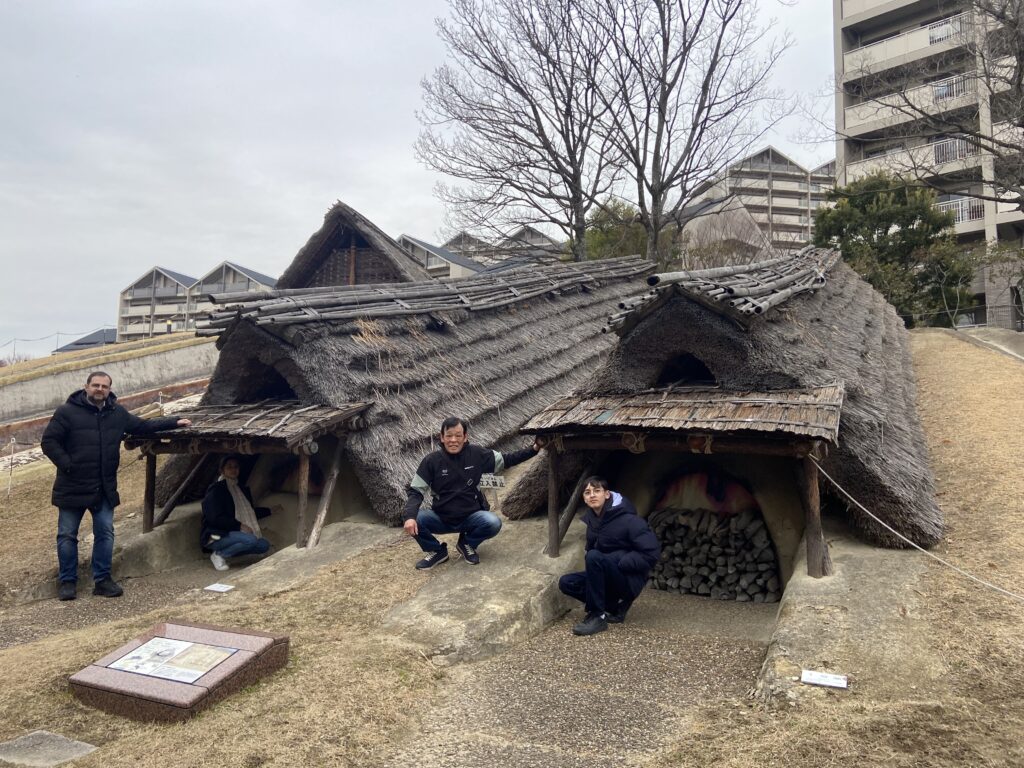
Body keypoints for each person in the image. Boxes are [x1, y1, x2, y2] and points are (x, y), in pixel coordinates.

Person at [41, 371, 191, 601]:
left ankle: (102, 580)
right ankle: (68, 582)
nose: (99, 389)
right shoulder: (66, 412)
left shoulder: (116, 413)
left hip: (103, 487)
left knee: (105, 533)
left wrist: (173, 421)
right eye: (95, 385)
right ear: (86, 387)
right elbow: (49, 441)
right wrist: (68, 465)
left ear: (109, 389)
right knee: (67, 535)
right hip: (72, 485)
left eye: (104, 386)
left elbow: (142, 426)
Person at [402, 416, 541, 569]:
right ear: (442, 437)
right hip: (442, 518)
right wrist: (410, 517)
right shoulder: (431, 461)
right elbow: (416, 491)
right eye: (449, 436)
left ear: (465, 437)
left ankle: (467, 543)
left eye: (458, 435)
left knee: (493, 522)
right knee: (413, 517)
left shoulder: (477, 454)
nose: (453, 440)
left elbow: (507, 459)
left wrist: (534, 449)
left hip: (470, 517)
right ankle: (437, 551)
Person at [558, 476, 660, 636]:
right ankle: (613, 607)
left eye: (597, 491)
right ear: (584, 498)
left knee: (594, 556)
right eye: (587, 492)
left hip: (627, 578)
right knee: (567, 582)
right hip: (605, 573)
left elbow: (651, 553)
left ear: (607, 494)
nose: (592, 495)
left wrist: (622, 562)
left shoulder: (629, 520)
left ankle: (597, 616)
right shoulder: (593, 521)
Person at [200, 455, 273, 571]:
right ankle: (219, 555)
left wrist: (269, 510)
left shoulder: (241, 489)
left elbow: (249, 512)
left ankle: (230, 552)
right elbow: (214, 518)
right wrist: (239, 525)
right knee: (251, 540)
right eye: (229, 467)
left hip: (232, 534)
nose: (233, 470)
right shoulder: (216, 490)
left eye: (236, 467)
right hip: (214, 536)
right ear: (222, 470)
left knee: (264, 545)